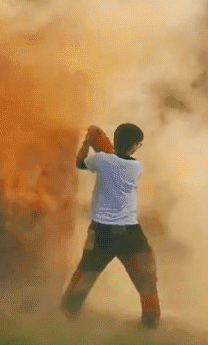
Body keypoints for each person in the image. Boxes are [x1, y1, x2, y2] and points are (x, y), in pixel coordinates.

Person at [60, 123, 161, 329]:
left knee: (85, 274)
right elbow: (115, 158)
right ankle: (151, 324)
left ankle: (65, 317)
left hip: (101, 232)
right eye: (138, 144)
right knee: (146, 280)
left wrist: (88, 142)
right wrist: (102, 143)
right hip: (129, 233)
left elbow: (80, 162)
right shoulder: (136, 167)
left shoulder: (100, 160)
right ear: (134, 146)